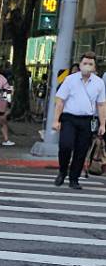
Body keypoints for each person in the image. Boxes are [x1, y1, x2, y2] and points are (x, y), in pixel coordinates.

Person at [52, 53, 106, 188]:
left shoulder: (99, 83)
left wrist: (103, 124)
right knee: (65, 145)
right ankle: (62, 170)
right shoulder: (70, 80)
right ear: (80, 65)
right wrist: (56, 120)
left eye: (90, 64)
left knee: (81, 150)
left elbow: (101, 104)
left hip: (87, 120)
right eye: (85, 63)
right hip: (69, 118)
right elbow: (60, 101)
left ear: (94, 67)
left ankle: (74, 178)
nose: (87, 66)